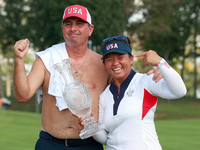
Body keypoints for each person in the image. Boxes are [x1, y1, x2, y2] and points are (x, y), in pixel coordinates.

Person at [13, 4, 163, 150]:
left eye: (79, 23)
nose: (73, 28)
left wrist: (159, 72)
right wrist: (19, 60)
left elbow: (131, 83)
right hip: (50, 143)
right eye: (68, 24)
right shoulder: (46, 59)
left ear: (90, 29)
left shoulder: (102, 65)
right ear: (63, 29)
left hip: (89, 144)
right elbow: (22, 96)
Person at [82, 35, 187, 150]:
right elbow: (108, 139)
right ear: (104, 64)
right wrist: (90, 126)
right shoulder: (104, 96)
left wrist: (160, 63)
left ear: (131, 59)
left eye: (120, 57)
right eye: (110, 59)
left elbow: (180, 91)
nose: (115, 63)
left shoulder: (145, 81)